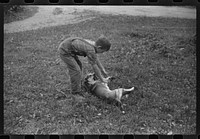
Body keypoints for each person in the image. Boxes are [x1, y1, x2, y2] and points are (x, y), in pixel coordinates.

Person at [58, 35, 111, 101]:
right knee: (76, 70)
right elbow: (94, 66)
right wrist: (102, 79)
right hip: (65, 51)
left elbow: (95, 58)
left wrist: (103, 70)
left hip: (69, 49)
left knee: (79, 66)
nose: (102, 53)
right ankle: (75, 93)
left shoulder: (94, 45)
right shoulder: (90, 49)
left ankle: (77, 84)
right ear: (99, 47)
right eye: (102, 51)